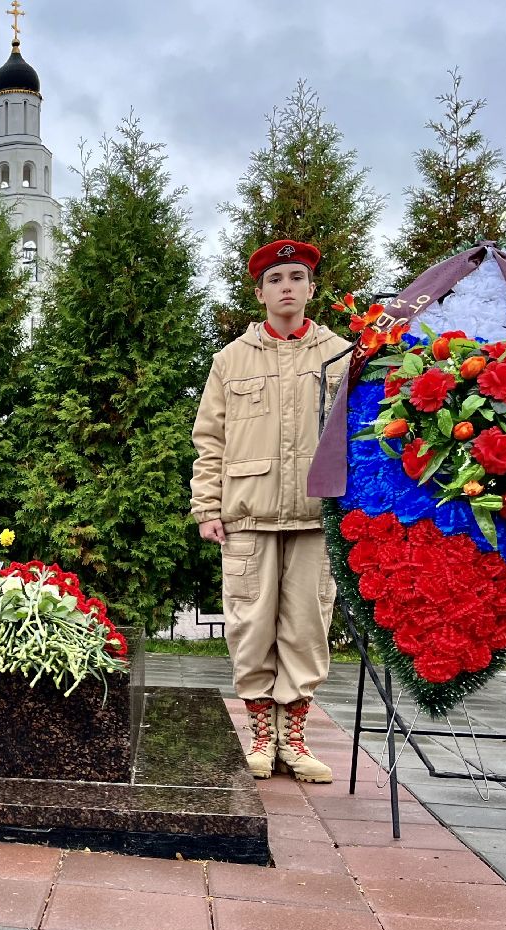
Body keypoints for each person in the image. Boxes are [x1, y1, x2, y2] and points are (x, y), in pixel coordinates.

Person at [190, 239, 349, 782]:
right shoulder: (230, 360)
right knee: (250, 626)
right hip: (247, 515)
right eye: (275, 279)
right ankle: (261, 736)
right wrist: (206, 506)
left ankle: (294, 739)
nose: (286, 287)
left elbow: (361, 436)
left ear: (311, 289)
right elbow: (210, 439)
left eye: (296, 277)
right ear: (259, 293)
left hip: (316, 516)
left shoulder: (342, 356)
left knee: (308, 627)